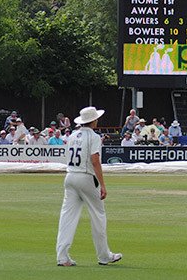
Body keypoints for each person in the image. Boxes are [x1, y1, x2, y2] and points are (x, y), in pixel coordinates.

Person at [56, 107, 121, 267]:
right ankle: (104, 256)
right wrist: (103, 185)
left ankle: (62, 256)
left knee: (67, 216)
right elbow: (95, 160)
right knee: (98, 215)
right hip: (86, 177)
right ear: (93, 121)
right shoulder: (94, 137)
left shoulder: (72, 136)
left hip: (70, 176)